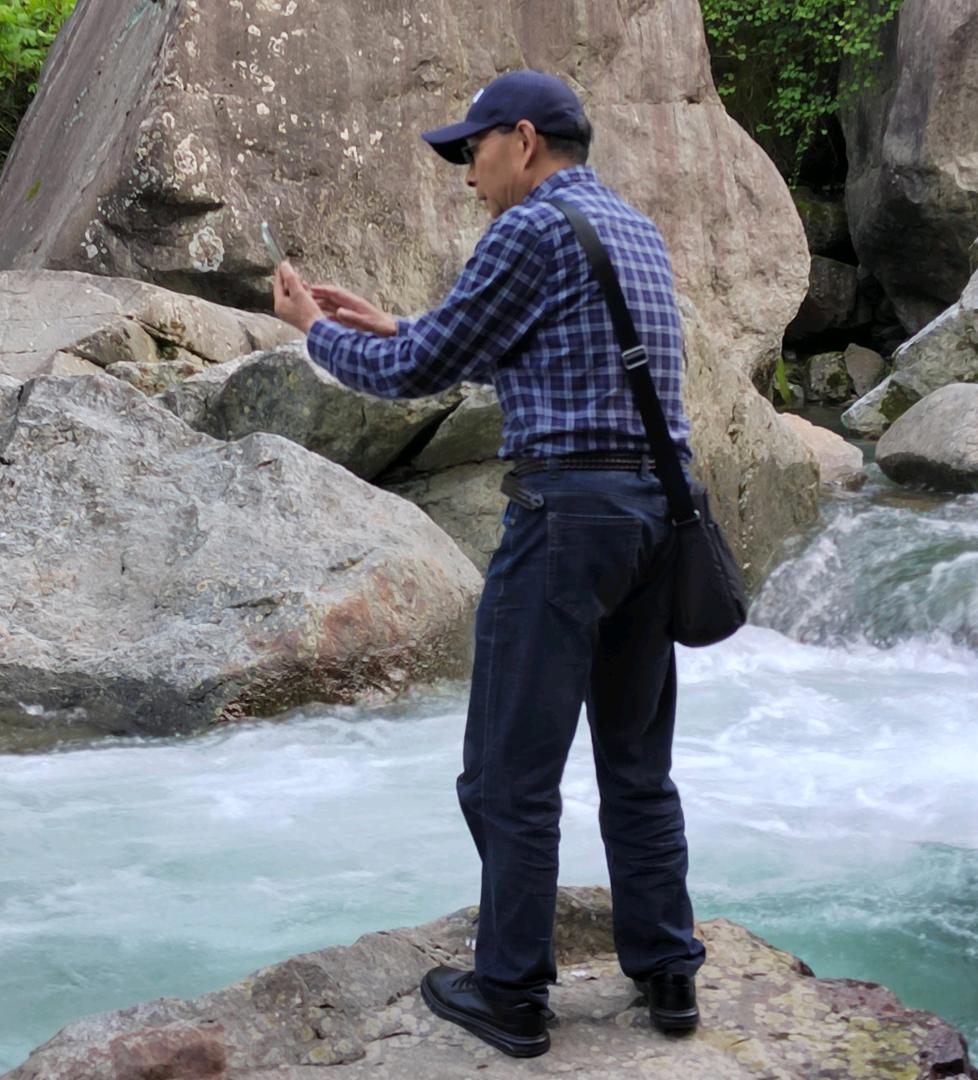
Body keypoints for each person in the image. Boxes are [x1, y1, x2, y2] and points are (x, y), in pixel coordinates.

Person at [272, 69, 706, 1059]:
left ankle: (511, 991)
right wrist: (383, 318)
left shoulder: (530, 229)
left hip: (566, 521)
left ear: (522, 139)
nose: (466, 172)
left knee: (507, 774)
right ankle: (669, 972)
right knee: (636, 763)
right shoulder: (631, 228)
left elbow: (419, 374)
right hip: (658, 516)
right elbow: (518, 345)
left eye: (472, 150)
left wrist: (314, 334)